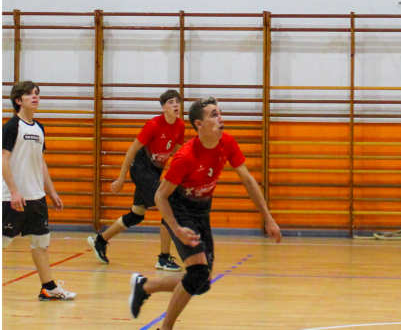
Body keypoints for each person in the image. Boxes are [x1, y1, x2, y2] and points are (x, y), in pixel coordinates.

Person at [129, 97, 281, 330]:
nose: (221, 119)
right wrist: (176, 229)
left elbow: (249, 181)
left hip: (201, 210)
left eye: (220, 113)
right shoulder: (186, 157)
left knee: (201, 282)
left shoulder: (227, 143)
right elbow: (160, 196)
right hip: (180, 210)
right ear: (199, 124)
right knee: (198, 273)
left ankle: (145, 287)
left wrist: (268, 218)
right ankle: (165, 327)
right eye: (214, 115)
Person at [89, 90, 185, 271]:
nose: (175, 105)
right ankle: (163, 258)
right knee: (168, 205)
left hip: (154, 172)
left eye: (178, 102)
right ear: (163, 107)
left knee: (137, 214)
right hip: (140, 169)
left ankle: (100, 240)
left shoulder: (180, 125)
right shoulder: (153, 125)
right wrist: (121, 178)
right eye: (171, 102)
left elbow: (178, 150)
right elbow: (132, 150)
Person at [1, 81, 76, 300]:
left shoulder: (39, 128)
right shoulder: (11, 126)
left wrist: (51, 191)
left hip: (36, 197)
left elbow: (40, 161)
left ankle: (48, 288)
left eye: (37, 94)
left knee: (41, 243)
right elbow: (3, 159)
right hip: (12, 197)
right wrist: (14, 191)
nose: (35, 97)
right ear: (18, 100)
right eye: (29, 94)